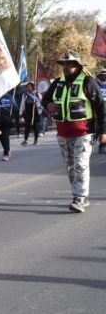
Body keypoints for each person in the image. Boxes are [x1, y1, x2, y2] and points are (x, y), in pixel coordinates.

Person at [42, 52, 106, 213]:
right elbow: (44, 99)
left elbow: (101, 107)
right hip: (63, 133)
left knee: (80, 165)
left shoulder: (88, 82)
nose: (65, 67)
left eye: (69, 64)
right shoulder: (57, 83)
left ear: (77, 66)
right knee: (70, 167)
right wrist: (48, 105)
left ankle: (80, 197)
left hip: (84, 132)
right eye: (63, 64)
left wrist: (103, 131)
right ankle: (79, 194)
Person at [0, 91, 16, 161]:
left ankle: (6, 153)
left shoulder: (10, 98)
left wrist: (10, 108)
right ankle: (7, 149)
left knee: (5, 136)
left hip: (7, 120)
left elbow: (16, 109)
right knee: (1, 137)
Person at [96, 68, 106, 153]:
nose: (104, 76)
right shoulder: (95, 84)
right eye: (103, 74)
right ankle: (101, 144)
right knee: (100, 128)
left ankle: (103, 145)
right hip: (98, 110)